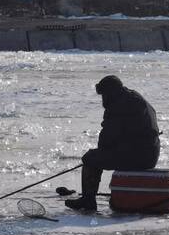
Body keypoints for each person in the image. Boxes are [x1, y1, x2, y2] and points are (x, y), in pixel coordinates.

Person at [65, 75, 160, 212]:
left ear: (110, 92)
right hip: (150, 154)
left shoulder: (119, 105)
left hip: (138, 156)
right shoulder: (133, 97)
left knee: (90, 158)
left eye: (103, 94)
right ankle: (89, 199)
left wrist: (98, 154)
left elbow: (107, 139)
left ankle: (88, 200)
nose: (102, 99)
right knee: (97, 156)